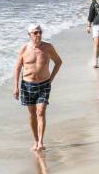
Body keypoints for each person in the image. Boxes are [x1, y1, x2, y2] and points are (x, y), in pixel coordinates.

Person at [12, 23, 62, 151]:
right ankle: (35, 140)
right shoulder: (24, 49)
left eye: (40, 32)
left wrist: (51, 78)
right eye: (35, 33)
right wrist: (16, 87)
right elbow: (17, 68)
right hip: (27, 85)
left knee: (40, 111)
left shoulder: (48, 47)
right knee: (32, 114)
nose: (38, 35)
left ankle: (41, 142)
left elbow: (58, 62)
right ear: (29, 35)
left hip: (44, 84)